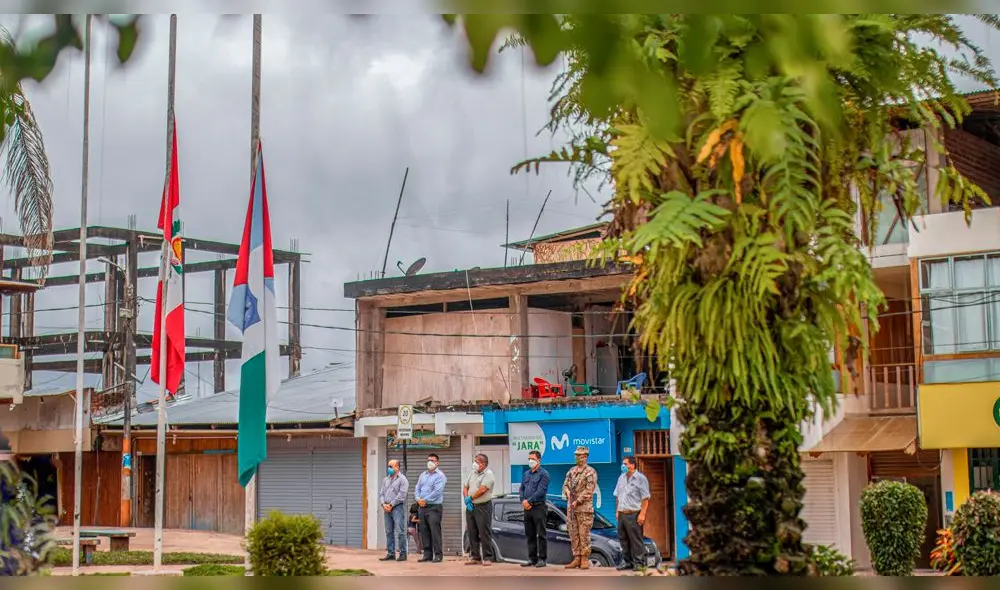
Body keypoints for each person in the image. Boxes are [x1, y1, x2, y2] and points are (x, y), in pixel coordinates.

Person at [562, 445, 598, 570]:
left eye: (580, 455)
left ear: (586, 457)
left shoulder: (590, 472)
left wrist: (577, 501)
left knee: (584, 534)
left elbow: (589, 490)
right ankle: (576, 557)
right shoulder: (571, 471)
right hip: (571, 508)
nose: (578, 457)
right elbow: (565, 485)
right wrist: (567, 492)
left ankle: (584, 559)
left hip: (584, 509)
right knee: (573, 533)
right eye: (576, 455)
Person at [613, 456, 650, 571]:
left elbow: (645, 498)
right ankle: (627, 562)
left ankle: (640, 563)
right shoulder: (621, 478)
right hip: (622, 514)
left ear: (632, 465)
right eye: (623, 463)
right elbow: (618, 495)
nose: (623, 465)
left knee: (636, 540)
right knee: (623, 539)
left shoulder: (640, 478)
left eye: (625, 463)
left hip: (634, 514)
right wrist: (617, 511)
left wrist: (642, 514)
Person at [463, 453, 496, 566]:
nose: (475, 463)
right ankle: (475, 556)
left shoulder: (488, 474)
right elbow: (465, 486)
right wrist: (466, 499)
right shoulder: (473, 473)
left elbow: (483, 489)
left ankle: (487, 557)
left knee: (484, 532)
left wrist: (471, 498)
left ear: (483, 464)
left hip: (483, 507)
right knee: (472, 532)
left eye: (477, 461)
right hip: (471, 506)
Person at [519, 450, 550, 568]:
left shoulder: (544, 474)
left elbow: (541, 491)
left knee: (541, 534)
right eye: (529, 459)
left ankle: (542, 559)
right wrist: (523, 501)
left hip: (538, 507)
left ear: (538, 460)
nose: (530, 461)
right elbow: (521, 489)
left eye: (532, 459)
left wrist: (529, 501)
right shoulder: (526, 474)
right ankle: (532, 559)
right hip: (527, 508)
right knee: (530, 534)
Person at [414, 453, 447, 563]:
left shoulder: (440, 476)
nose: (430, 462)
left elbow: (437, 492)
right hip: (422, 507)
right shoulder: (423, 475)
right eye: (428, 460)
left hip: (434, 507)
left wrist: (425, 500)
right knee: (424, 531)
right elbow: (417, 487)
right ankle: (427, 555)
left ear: (437, 463)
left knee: (435, 531)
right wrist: (418, 499)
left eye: (432, 460)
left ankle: (438, 555)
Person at [377, 459, 409, 562]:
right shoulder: (386, 479)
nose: (389, 469)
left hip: (397, 507)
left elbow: (402, 495)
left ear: (397, 467)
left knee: (400, 531)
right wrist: (383, 504)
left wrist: (391, 504)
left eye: (391, 466)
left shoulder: (403, 479)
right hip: (386, 508)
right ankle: (391, 553)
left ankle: (403, 554)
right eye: (388, 466)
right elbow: (381, 493)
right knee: (388, 531)